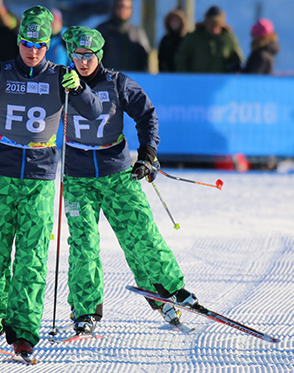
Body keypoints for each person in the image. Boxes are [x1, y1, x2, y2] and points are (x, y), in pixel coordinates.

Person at [0, 6, 102, 357]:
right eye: (27, 43)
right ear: (18, 41)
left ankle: (23, 329)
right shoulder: (3, 72)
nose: (33, 51)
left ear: (48, 43)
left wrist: (79, 88)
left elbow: (96, 111)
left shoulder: (59, 75)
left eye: (40, 44)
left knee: (32, 256)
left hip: (39, 177)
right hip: (1, 175)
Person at [59, 25, 199, 334]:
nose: (82, 62)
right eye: (77, 56)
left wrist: (147, 156)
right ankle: (84, 311)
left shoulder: (117, 82)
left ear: (100, 55)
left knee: (141, 235)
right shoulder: (62, 81)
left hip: (117, 174)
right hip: (78, 178)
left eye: (89, 56)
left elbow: (147, 115)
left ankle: (170, 292)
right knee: (84, 245)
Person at [174, 6, 242, 73]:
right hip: (197, 80)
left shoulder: (228, 38)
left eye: (217, 27)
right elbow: (181, 58)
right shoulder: (194, 37)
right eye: (211, 26)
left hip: (220, 80)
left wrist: (233, 67)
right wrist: (186, 77)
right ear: (206, 24)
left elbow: (238, 59)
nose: (214, 30)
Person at [95, 0, 150, 72]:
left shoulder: (137, 32)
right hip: (108, 78)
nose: (123, 10)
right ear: (114, 8)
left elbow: (145, 58)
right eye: (120, 6)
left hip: (133, 78)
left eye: (127, 7)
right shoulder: (103, 30)